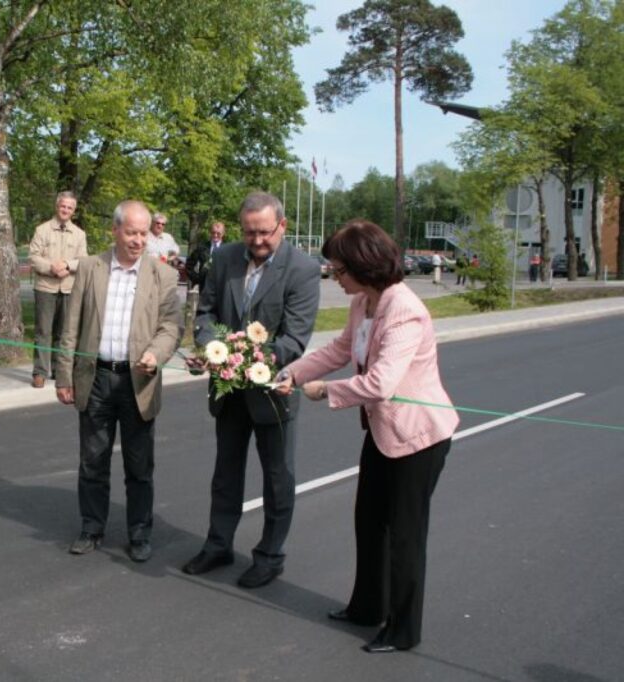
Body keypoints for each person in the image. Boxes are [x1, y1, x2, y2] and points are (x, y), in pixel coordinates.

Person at [276, 219, 459, 653]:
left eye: (338, 270)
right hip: (383, 431)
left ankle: (402, 629)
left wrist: (326, 391)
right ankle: (367, 607)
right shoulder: (364, 302)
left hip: (418, 438)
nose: (334, 277)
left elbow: (380, 384)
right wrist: (292, 372)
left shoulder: (405, 309)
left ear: (365, 265)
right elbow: (341, 350)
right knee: (369, 521)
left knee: (404, 535)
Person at [182, 192, 320, 589]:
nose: (257, 241)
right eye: (249, 232)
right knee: (225, 473)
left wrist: (239, 361)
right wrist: (211, 347)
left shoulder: (303, 270)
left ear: (283, 225)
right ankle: (218, 544)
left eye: (264, 232)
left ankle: (270, 556)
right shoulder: (225, 258)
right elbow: (206, 312)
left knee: (278, 477)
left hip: (273, 392)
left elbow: (294, 339)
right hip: (228, 391)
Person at [55, 200, 181, 563]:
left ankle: (139, 533)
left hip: (138, 382)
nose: (139, 240)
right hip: (95, 378)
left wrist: (156, 353)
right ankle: (91, 528)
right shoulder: (92, 269)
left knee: (139, 466)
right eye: (132, 233)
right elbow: (71, 327)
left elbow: (171, 326)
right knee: (92, 460)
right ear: (115, 230)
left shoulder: (163, 276)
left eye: (143, 233)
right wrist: (64, 375)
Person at [28, 191, 88, 389]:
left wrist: (68, 266)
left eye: (70, 208)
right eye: (63, 206)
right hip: (46, 287)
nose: (66, 210)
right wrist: (51, 267)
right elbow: (33, 257)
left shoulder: (79, 234)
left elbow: (83, 261)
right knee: (43, 331)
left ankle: (59, 371)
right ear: (57, 206)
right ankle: (40, 372)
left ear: (73, 210)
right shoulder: (42, 230)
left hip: (69, 289)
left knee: (64, 333)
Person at [185, 221, 226, 293]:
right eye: (213, 232)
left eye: (218, 233)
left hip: (222, 289)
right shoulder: (202, 247)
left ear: (223, 234)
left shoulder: (227, 249)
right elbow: (189, 265)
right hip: (205, 288)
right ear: (210, 232)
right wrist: (197, 278)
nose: (215, 235)